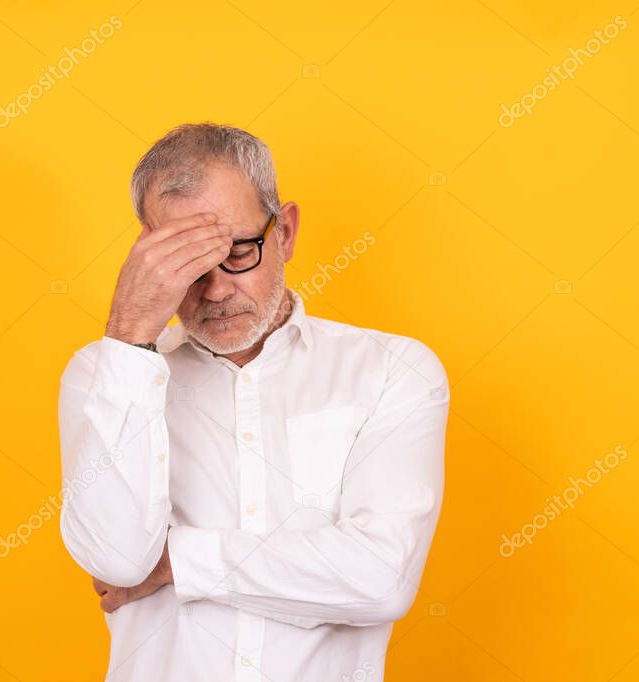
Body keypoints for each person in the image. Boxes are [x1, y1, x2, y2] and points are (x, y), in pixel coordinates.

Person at [58, 122, 450, 681]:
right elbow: (118, 561)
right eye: (187, 265)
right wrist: (128, 333)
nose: (216, 290)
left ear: (284, 232)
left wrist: (177, 562)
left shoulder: (392, 371)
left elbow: (382, 577)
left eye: (238, 252)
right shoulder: (102, 375)